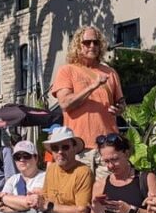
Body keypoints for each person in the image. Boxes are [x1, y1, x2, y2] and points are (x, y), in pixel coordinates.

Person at [52, 26, 125, 175]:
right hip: (79, 148)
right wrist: (93, 86)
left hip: (106, 148)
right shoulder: (67, 70)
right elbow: (65, 103)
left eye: (96, 42)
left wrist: (120, 108)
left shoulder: (110, 72)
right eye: (87, 42)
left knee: (105, 196)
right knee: (80, 196)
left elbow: (121, 103)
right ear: (78, 45)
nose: (92, 46)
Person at [88, 134, 156, 213]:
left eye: (114, 159)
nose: (110, 166)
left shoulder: (146, 179)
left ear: (126, 154)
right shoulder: (100, 185)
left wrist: (130, 210)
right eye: (106, 161)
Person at [0, 140, 45, 213]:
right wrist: (2, 199)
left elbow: (31, 203)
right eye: (17, 157)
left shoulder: (44, 177)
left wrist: (4, 200)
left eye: (26, 156)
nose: (21, 160)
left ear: (36, 158)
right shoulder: (13, 179)